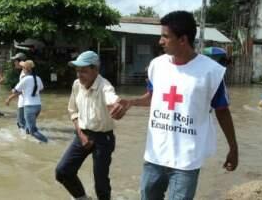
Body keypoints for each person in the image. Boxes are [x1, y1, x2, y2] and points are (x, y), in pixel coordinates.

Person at [111, 11, 238, 200]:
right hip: (155, 154)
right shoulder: (157, 65)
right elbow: (154, 97)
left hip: (186, 160)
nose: (160, 41)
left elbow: (222, 111)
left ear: (182, 40)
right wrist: (131, 102)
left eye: (165, 36)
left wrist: (233, 148)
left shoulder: (211, 72)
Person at [55, 50, 127, 200]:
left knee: (101, 183)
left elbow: (112, 99)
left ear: (96, 70)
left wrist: (117, 106)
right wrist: (81, 135)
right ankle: (82, 198)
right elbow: (73, 111)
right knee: (62, 171)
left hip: (103, 139)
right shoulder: (76, 85)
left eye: (84, 71)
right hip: (82, 134)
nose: (79, 75)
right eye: (77, 71)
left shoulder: (105, 87)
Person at [6, 60, 48, 143]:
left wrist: (13, 91)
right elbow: (41, 88)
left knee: (33, 130)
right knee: (29, 126)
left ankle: (46, 142)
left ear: (25, 69)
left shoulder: (25, 79)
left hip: (29, 106)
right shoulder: (38, 78)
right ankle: (30, 141)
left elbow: (15, 91)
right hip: (38, 106)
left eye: (23, 67)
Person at [11, 52, 27, 129]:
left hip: (24, 103)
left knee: (21, 124)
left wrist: (10, 98)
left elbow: (23, 90)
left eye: (15, 61)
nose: (14, 63)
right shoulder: (24, 72)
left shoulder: (24, 74)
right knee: (22, 124)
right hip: (25, 102)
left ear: (20, 62)